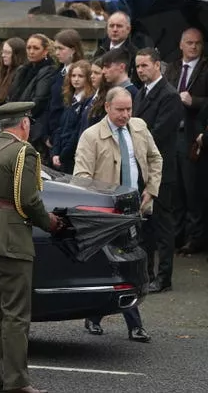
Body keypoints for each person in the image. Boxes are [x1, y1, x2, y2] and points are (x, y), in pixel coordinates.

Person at [0, 101, 62, 393]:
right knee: (15, 314)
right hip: (9, 240)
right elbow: (28, 199)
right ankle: (16, 382)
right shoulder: (24, 151)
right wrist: (51, 224)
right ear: (24, 124)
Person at [74, 86, 161, 343]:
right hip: (107, 213)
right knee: (112, 264)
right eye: (120, 110)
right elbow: (81, 178)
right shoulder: (91, 136)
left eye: (129, 109)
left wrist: (151, 190)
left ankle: (97, 316)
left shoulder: (139, 127)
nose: (125, 114)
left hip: (135, 208)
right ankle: (133, 324)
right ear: (107, 108)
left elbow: (155, 159)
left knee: (129, 263)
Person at [133, 48, 184, 292]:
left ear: (157, 66)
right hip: (144, 168)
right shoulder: (141, 93)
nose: (140, 70)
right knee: (147, 225)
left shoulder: (169, 96)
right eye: (138, 66)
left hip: (161, 169)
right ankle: (147, 274)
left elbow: (158, 134)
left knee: (163, 224)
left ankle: (164, 278)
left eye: (144, 65)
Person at [164, 28, 208, 256]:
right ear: (181, 44)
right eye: (189, 43)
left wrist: (194, 101)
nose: (193, 47)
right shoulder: (172, 68)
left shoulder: (205, 68)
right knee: (175, 189)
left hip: (193, 136)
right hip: (173, 134)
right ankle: (176, 234)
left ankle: (194, 238)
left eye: (198, 43)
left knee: (193, 190)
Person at [8, 34, 57, 154]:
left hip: (32, 127)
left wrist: (20, 117)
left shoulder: (48, 71)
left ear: (45, 51)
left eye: (36, 48)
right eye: (28, 48)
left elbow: (38, 101)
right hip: (16, 123)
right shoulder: (24, 70)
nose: (31, 51)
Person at [44, 29, 85, 162]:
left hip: (63, 135)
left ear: (73, 50)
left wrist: (56, 138)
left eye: (61, 49)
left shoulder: (78, 76)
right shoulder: (60, 72)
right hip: (53, 132)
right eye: (56, 48)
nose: (57, 53)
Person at [51, 60, 94, 174]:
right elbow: (60, 128)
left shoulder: (87, 101)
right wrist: (55, 152)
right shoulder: (69, 100)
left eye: (81, 76)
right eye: (73, 76)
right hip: (61, 152)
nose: (76, 79)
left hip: (72, 155)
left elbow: (76, 131)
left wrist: (63, 155)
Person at [0, 37, 26, 138]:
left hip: (3, 130)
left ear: (16, 54)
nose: (3, 55)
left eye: (8, 52)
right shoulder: (4, 73)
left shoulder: (19, 73)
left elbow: (8, 102)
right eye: (3, 52)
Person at [93, 11, 141, 87]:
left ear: (128, 29)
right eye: (111, 26)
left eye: (119, 26)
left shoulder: (134, 54)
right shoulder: (100, 50)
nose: (115, 29)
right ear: (107, 29)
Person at [79, 57, 110, 136]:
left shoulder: (108, 98)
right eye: (91, 73)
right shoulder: (90, 98)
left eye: (96, 73)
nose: (92, 76)